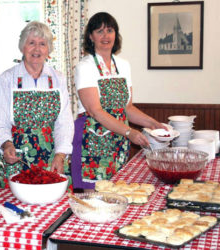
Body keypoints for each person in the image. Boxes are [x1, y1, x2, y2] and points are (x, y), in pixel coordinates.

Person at [71, 12, 166, 190]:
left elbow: (127, 107)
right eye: (99, 31)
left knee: (117, 193)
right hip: (92, 141)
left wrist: (153, 123)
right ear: (91, 37)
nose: (105, 36)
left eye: (109, 30)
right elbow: (95, 111)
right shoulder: (85, 67)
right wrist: (130, 132)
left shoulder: (123, 65)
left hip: (118, 139)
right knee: (93, 198)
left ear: (116, 34)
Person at [0, 21, 74, 187]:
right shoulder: (7, 79)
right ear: (22, 47)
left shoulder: (58, 79)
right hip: (16, 159)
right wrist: (7, 145)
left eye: (42, 44)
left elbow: (64, 123)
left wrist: (60, 155)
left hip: (52, 159)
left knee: (52, 209)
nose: (37, 49)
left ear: (48, 50)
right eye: (31, 43)